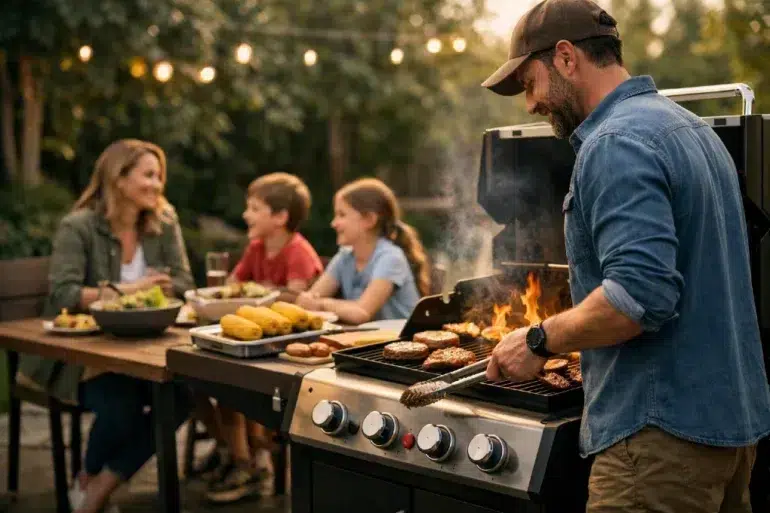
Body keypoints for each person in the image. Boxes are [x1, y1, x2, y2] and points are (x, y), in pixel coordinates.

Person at [481, 1, 770, 512]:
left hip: (657, 443)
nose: (530, 104)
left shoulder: (616, 143)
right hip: (729, 430)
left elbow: (638, 295)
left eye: (530, 83)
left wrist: (538, 340)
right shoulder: (693, 130)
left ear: (566, 58)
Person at [18, 139, 195, 513]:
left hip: (146, 348)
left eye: (159, 175)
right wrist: (131, 290)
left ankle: (97, 485)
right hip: (86, 358)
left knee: (182, 398)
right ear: (118, 178)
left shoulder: (164, 221)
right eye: (148, 175)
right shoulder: (78, 226)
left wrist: (162, 288)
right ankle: (90, 483)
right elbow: (64, 293)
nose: (157, 184)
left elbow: (184, 282)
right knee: (122, 407)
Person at [194, 172, 323, 504]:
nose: (245, 214)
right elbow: (232, 286)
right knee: (208, 381)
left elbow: (297, 299)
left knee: (236, 386)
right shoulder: (256, 248)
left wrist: (263, 292)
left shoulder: (298, 252)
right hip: (251, 344)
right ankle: (239, 456)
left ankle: (252, 462)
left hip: (285, 352)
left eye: (254, 208)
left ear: (279, 217)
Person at [296, 177, 429, 324]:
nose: (333, 223)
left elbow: (361, 312)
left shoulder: (391, 258)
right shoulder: (345, 256)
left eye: (342, 215)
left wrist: (321, 303)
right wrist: (309, 300)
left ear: (369, 220)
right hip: (368, 335)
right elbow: (310, 299)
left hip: (401, 337)